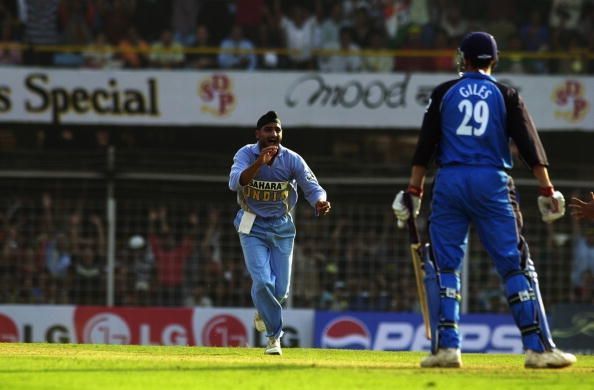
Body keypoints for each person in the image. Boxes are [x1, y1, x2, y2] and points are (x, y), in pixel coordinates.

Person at [392, 32, 576, 369]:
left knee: (445, 264)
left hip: (449, 181)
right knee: (514, 263)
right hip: (492, 182)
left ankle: (447, 349)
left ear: (463, 59)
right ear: (494, 59)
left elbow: (425, 145)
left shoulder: (444, 92)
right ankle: (538, 348)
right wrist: (547, 190)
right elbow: (529, 144)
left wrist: (413, 191)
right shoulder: (506, 94)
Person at [229, 110, 331, 355]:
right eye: (268, 130)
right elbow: (234, 183)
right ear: (258, 134)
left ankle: (264, 309)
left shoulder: (292, 159)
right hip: (251, 224)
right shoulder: (246, 154)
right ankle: (274, 338)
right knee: (262, 281)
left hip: (282, 225)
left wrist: (320, 201)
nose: (274, 134)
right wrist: (258, 164)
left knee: (281, 291)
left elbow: (313, 187)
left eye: (277, 130)